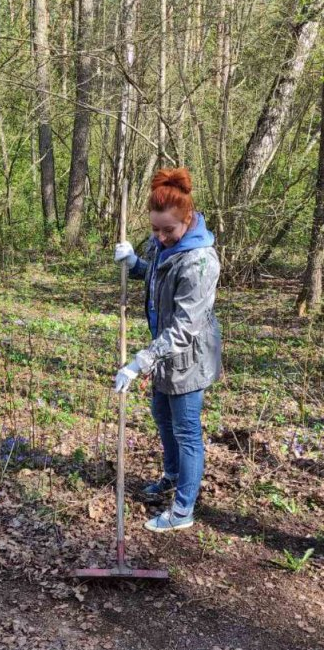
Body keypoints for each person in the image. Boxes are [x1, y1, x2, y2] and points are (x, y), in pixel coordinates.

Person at [114, 167, 221, 532]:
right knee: (162, 416)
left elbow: (185, 327)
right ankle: (172, 476)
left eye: (168, 230)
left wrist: (138, 362)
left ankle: (183, 510)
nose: (160, 237)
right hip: (163, 354)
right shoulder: (163, 246)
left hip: (187, 358)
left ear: (187, 220)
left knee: (186, 430)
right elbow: (159, 279)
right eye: (155, 229)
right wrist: (135, 265)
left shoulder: (200, 262)